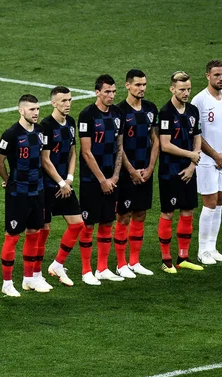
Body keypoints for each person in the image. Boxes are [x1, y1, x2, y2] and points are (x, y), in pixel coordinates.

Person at [0, 94, 48, 296]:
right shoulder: (11, 134)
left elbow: (43, 158)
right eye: (31, 109)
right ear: (21, 110)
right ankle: (7, 284)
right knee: (12, 236)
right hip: (18, 192)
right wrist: (8, 180)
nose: (36, 113)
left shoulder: (41, 131)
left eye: (37, 109)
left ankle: (28, 279)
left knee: (34, 233)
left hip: (37, 190)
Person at [78, 74, 125, 285]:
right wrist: (102, 180)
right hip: (91, 180)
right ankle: (86, 270)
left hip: (112, 179)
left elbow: (119, 147)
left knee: (107, 222)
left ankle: (102, 268)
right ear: (97, 92)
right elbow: (86, 152)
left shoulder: (118, 114)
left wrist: (114, 176)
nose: (111, 95)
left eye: (114, 92)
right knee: (88, 224)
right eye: (107, 91)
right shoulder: (87, 115)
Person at [157, 71, 204, 274]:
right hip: (170, 172)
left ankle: (183, 257)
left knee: (188, 211)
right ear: (172, 89)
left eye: (188, 89)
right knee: (168, 213)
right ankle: (166, 259)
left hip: (188, 171)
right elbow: (165, 145)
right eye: (182, 89)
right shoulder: (166, 113)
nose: (186, 93)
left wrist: (193, 165)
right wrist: (191, 156)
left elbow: (198, 137)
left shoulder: (193, 110)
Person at [191, 60, 222, 264]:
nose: (221, 79)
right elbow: (196, 134)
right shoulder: (199, 100)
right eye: (217, 75)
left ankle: (213, 246)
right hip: (206, 160)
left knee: (220, 202)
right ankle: (202, 251)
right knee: (209, 204)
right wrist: (216, 156)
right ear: (207, 76)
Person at [114, 69, 158, 278]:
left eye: (144, 85)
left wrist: (150, 168)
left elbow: (155, 139)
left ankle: (135, 261)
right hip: (125, 172)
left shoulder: (150, 109)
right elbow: (118, 146)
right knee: (123, 216)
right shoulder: (119, 111)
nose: (141, 89)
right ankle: (121, 264)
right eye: (137, 85)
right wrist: (131, 171)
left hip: (145, 170)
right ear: (127, 86)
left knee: (140, 214)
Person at [39, 86, 84, 287]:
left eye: (69, 100)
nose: (67, 104)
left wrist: (69, 179)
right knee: (44, 229)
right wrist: (60, 182)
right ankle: (35, 272)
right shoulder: (46, 126)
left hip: (64, 183)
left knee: (77, 224)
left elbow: (72, 153)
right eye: (63, 101)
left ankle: (57, 264)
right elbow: (45, 159)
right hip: (47, 185)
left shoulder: (71, 123)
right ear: (53, 103)